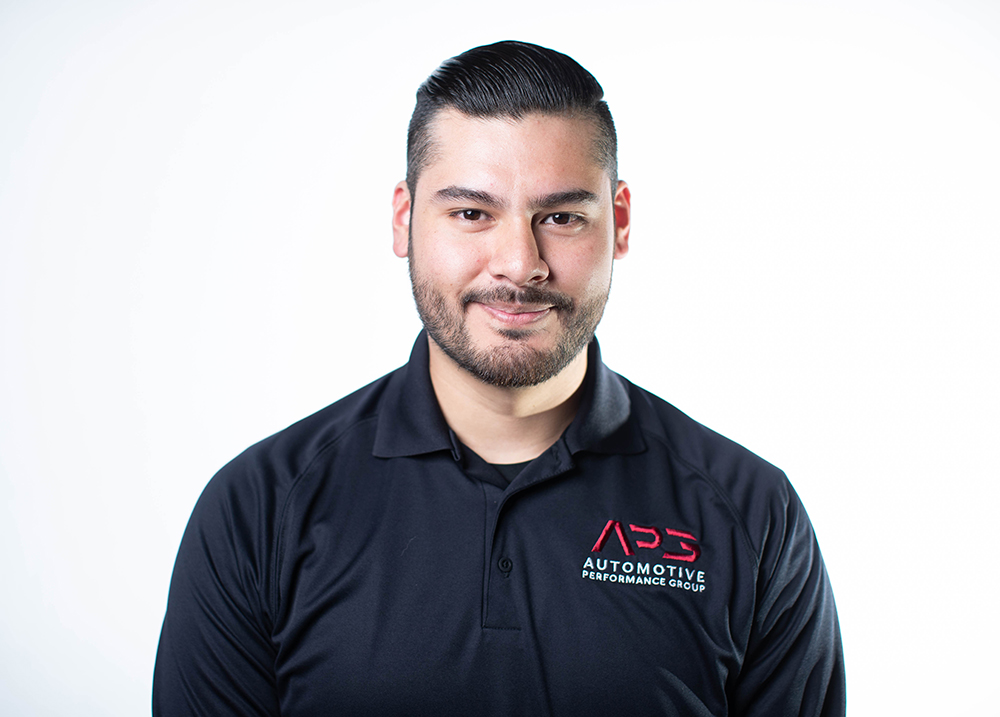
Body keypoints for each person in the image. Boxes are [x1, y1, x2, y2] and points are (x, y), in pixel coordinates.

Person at [153, 41, 845, 716]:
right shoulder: (259, 512)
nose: (519, 263)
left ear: (621, 223)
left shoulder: (752, 516)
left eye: (562, 217)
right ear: (404, 219)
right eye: (472, 213)